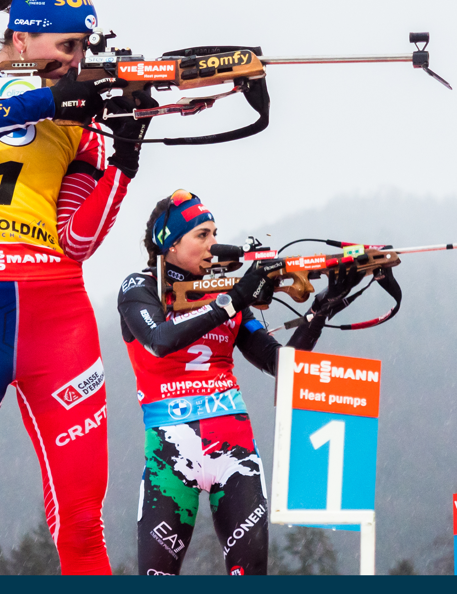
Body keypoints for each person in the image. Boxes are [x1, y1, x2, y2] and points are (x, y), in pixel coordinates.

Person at [0, 0, 154, 576]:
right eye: (65, 46)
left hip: (56, 315)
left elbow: (77, 239)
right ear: (23, 36)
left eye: (83, 49)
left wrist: (125, 158)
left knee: (83, 522)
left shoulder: (81, 118)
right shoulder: (46, 97)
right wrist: (48, 100)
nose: (75, 60)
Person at [118, 189, 358, 577]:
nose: (214, 244)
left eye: (215, 233)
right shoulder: (139, 288)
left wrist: (322, 308)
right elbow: (160, 341)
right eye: (202, 235)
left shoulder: (225, 293)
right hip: (170, 455)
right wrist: (234, 298)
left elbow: (281, 363)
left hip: (235, 453)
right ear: (171, 243)